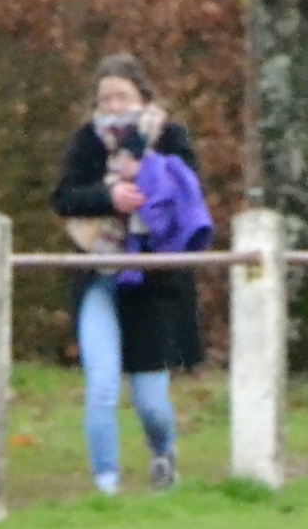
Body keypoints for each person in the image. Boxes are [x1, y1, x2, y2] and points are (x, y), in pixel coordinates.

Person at [48, 56, 206, 493]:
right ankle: (106, 484)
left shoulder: (170, 135)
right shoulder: (87, 141)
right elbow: (64, 198)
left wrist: (147, 179)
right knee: (102, 384)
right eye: (106, 98)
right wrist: (109, 195)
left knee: (151, 401)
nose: (114, 105)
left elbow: (188, 195)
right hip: (98, 273)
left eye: (122, 95)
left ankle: (163, 454)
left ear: (143, 96)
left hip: (152, 280)